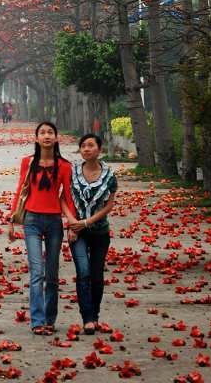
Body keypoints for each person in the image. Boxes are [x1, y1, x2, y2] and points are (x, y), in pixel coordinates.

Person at [9, 121, 75, 335]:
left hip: (54, 221)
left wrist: (72, 223)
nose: (46, 136)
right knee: (37, 272)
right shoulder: (27, 162)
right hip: (32, 221)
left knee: (52, 275)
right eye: (42, 133)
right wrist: (12, 220)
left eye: (50, 133)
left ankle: (49, 319)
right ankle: (37, 321)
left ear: (56, 138)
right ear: (36, 138)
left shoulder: (65, 166)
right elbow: (21, 189)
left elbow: (68, 196)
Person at [66, 133, 117, 335]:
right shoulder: (72, 173)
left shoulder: (109, 176)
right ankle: (87, 318)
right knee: (83, 272)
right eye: (83, 146)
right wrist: (72, 222)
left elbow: (109, 206)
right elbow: (63, 198)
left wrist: (87, 222)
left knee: (96, 276)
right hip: (77, 232)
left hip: (99, 232)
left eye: (90, 145)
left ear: (99, 149)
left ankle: (94, 316)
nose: (86, 149)